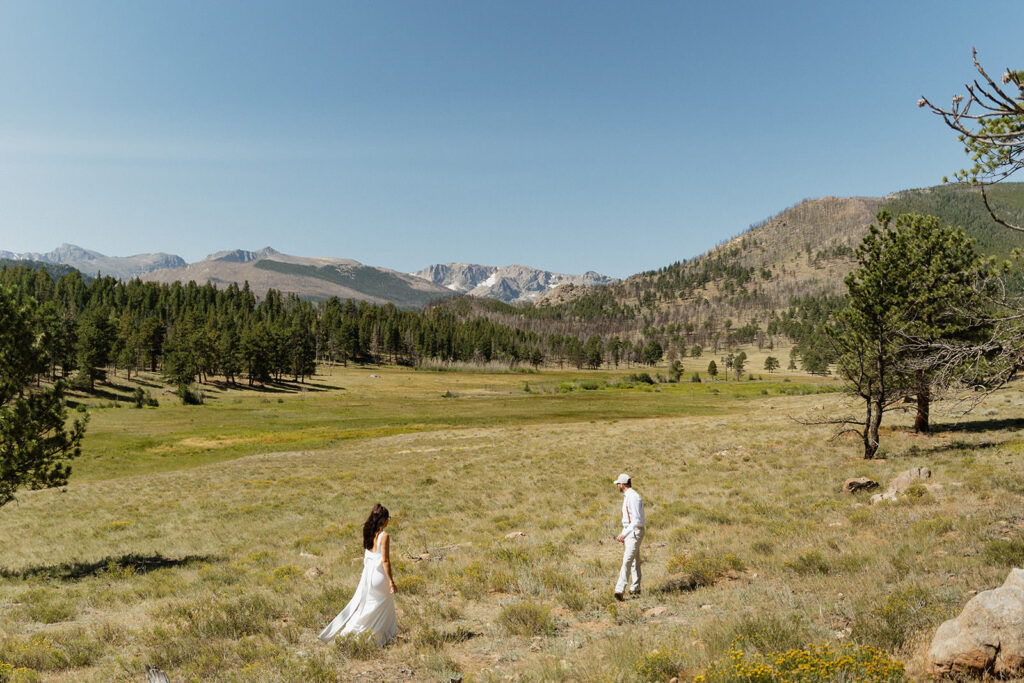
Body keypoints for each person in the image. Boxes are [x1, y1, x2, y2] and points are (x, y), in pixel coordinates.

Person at [318, 503, 398, 646]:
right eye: (388, 518)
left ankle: (349, 635)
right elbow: (385, 560)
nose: (388, 521)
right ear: (383, 519)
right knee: (381, 609)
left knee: (366, 607)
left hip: (367, 577)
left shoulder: (368, 533)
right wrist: (391, 582)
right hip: (379, 577)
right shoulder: (384, 536)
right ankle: (379, 638)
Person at [613, 473, 644, 600]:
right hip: (630, 532)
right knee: (634, 560)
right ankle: (635, 588)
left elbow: (636, 520)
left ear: (622, 484)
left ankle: (619, 589)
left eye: (618, 484)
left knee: (627, 560)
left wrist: (624, 534)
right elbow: (627, 520)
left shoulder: (633, 497)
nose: (618, 486)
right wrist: (623, 535)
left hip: (635, 532)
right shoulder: (628, 496)